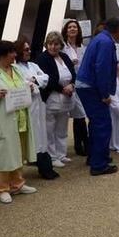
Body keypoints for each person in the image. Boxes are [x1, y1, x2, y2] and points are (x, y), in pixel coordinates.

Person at [0, 40, 39, 203]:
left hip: (19, 117)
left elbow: (24, 85)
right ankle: (3, 188)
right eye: (11, 52)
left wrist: (29, 88)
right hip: (2, 119)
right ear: (2, 55)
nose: (15, 55)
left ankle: (17, 183)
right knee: (3, 154)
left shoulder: (17, 69)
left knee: (17, 150)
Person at [76, 17, 119, 176]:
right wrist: (104, 94)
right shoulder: (106, 42)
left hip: (86, 85)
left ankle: (95, 156)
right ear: (118, 30)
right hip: (92, 87)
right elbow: (102, 69)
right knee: (102, 124)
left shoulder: (100, 38)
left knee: (96, 124)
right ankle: (99, 165)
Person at [14, 37, 59, 177]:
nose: (29, 51)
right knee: (34, 135)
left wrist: (34, 80)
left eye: (29, 49)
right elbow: (23, 84)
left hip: (39, 102)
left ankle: (45, 164)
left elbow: (45, 78)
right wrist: (34, 81)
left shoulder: (33, 65)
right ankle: (36, 161)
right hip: (27, 105)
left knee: (41, 132)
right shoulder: (15, 68)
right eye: (26, 49)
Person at [37, 31, 77, 174]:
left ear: (60, 45)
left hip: (66, 98)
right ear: (46, 45)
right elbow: (47, 79)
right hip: (52, 98)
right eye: (50, 44)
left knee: (62, 128)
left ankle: (61, 154)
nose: (53, 47)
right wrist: (62, 89)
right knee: (50, 129)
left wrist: (72, 85)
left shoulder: (65, 57)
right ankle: (52, 157)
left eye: (56, 44)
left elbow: (73, 73)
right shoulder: (42, 58)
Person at [63, 19, 90, 157]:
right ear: (66, 31)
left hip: (82, 83)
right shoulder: (63, 47)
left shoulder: (82, 47)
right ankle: (83, 143)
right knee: (78, 114)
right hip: (69, 84)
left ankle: (80, 144)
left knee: (79, 115)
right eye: (70, 27)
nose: (72, 29)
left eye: (75, 27)